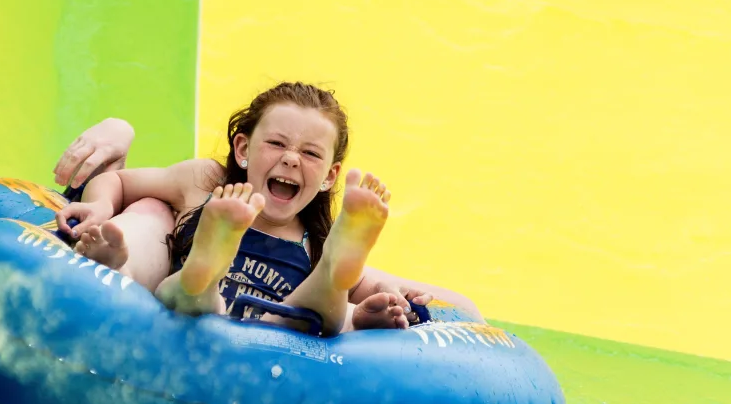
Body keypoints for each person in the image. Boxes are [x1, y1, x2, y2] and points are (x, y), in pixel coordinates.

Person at [54, 82, 482, 334]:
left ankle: (331, 284)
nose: (292, 159)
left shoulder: (314, 237)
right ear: (242, 148)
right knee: (195, 289)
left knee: (326, 309)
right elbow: (118, 180)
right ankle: (199, 265)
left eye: (311, 154)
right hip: (195, 316)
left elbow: (459, 308)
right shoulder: (208, 182)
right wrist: (100, 207)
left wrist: (404, 305)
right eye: (276, 143)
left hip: (277, 335)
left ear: (330, 177)